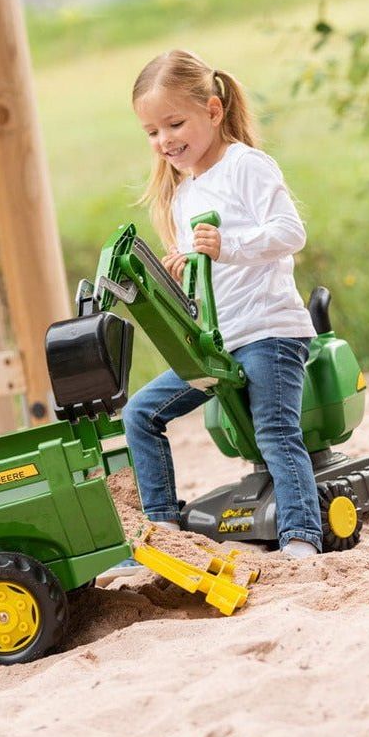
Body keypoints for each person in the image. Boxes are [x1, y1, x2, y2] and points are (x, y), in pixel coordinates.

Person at [123, 48, 322, 559]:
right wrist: (186, 270)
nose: (163, 140)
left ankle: (301, 537)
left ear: (213, 110)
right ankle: (164, 527)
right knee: (141, 414)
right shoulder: (185, 192)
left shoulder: (246, 166)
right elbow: (211, 277)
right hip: (221, 342)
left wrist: (225, 247)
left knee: (274, 429)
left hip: (267, 330)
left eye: (174, 123)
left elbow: (289, 232)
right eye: (151, 132)